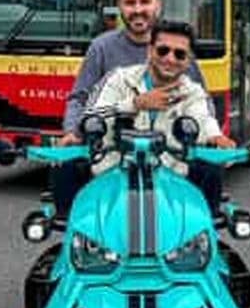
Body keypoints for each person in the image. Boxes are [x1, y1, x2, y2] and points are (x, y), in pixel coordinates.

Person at [54, 20, 234, 216]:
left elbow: (203, 120)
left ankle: (205, 234)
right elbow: (90, 116)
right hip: (110, 177)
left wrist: (216, 138)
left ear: (188, 61)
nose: (170, 59)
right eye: (163, 51)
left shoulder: (193, 92)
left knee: (210, 166)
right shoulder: (118, 78)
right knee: (66, 160)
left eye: (179, 54)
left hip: (170, 181)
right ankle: (69, 230)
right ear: (149, 51)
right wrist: (135, 104)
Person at [58, 0, 207, 143]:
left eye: (144, 2)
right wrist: (72, 132)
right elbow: (80, 99)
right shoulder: (101, 48)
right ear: (119, 7)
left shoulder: (178, 48)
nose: (137, 10)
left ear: (157, 5)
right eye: (130, 3)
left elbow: (202, 103)